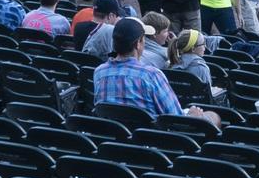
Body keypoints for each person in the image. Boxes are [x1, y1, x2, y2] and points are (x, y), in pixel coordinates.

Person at [92, 18, 221, 130]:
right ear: (138, 44)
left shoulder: (99, 72)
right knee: (213, 117)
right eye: (144, 39)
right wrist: (194, 114)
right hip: (150, 143)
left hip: (113, 140)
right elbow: (176, 117)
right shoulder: (151, 75)